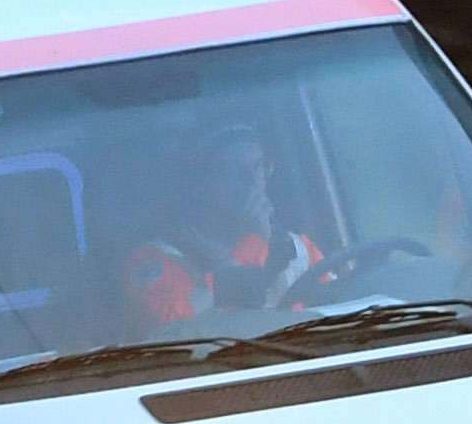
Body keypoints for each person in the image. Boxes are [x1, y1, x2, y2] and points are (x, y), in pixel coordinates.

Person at [123, 124, 323, 329]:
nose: (252, 182)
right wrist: (254, 244)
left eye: (259, 168)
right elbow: (172, 328)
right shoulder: (154, 259)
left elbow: (339, 302)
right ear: (200, 186)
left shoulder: (298, 248)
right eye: (234, 171)